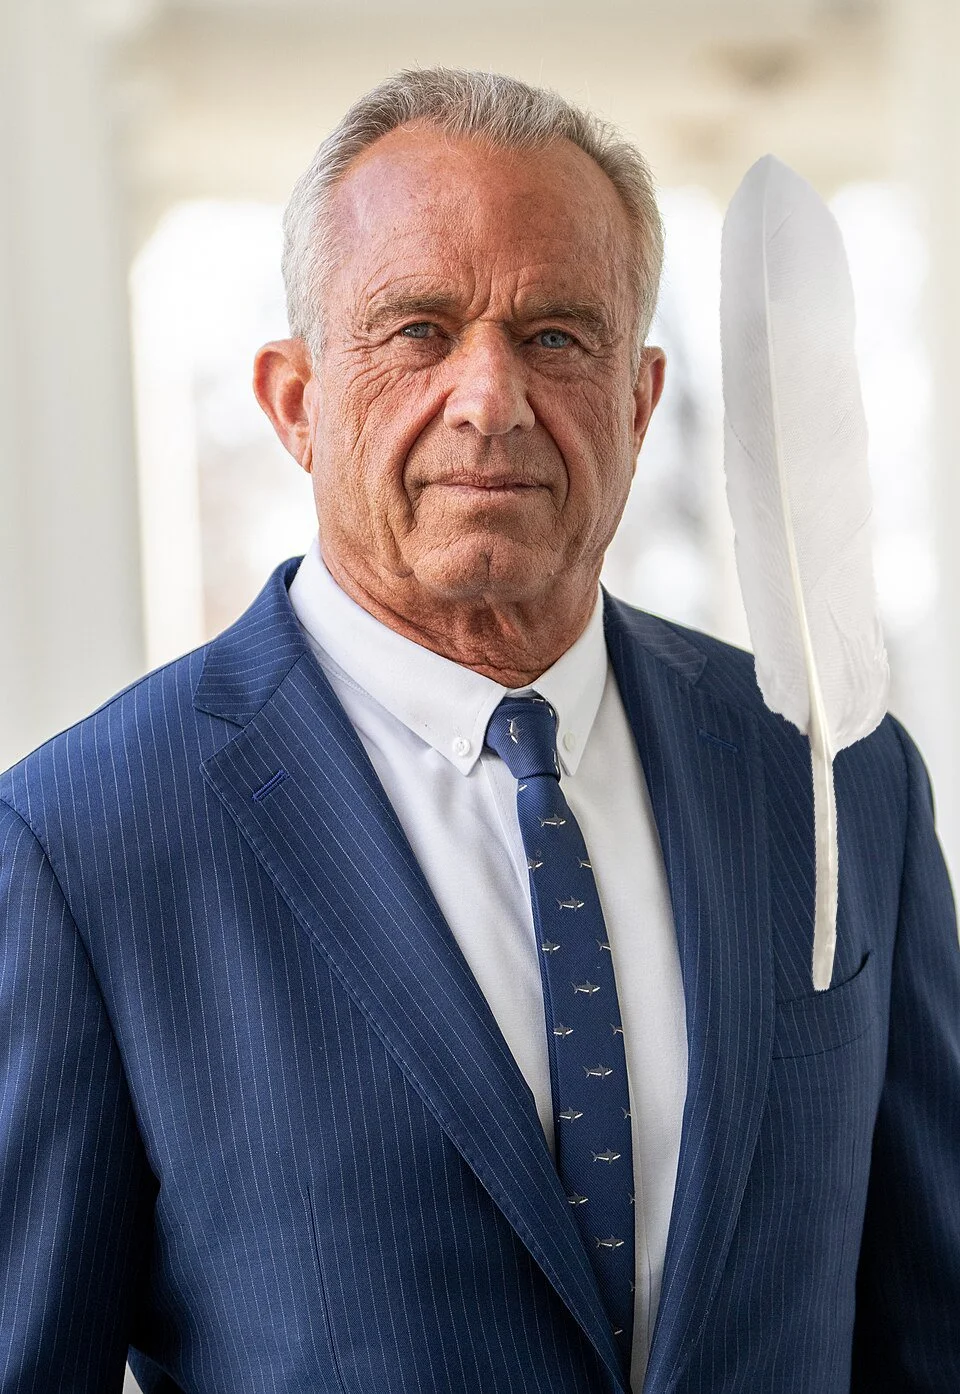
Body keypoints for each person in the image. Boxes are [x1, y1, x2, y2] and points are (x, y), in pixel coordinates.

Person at [0, 67, 957, 1394]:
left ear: (640, 400)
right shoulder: (80, 844)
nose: (491, 398)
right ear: (293, 402)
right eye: (418, 330)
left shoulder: (837, 779)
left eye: (557, 335)